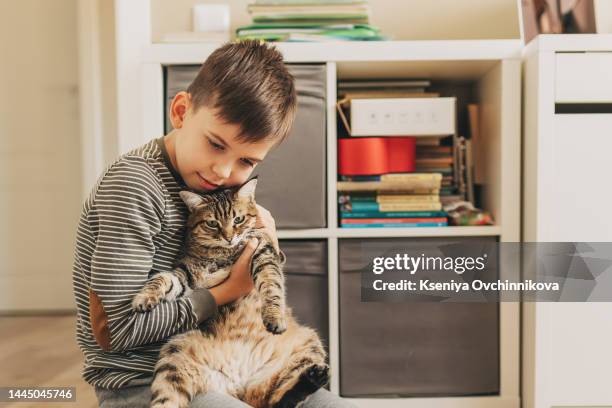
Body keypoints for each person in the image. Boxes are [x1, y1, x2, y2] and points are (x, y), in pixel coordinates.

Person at [72, 40, 355, 407]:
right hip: (147, 381)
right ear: (180, 111)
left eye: (247, 161)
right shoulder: (135, 185)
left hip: (243, 361)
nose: (223, 171)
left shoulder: (224, 190)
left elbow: (248, 281)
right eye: (215, 144)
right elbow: (116, 330)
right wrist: (225, 291)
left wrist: (267, 248)